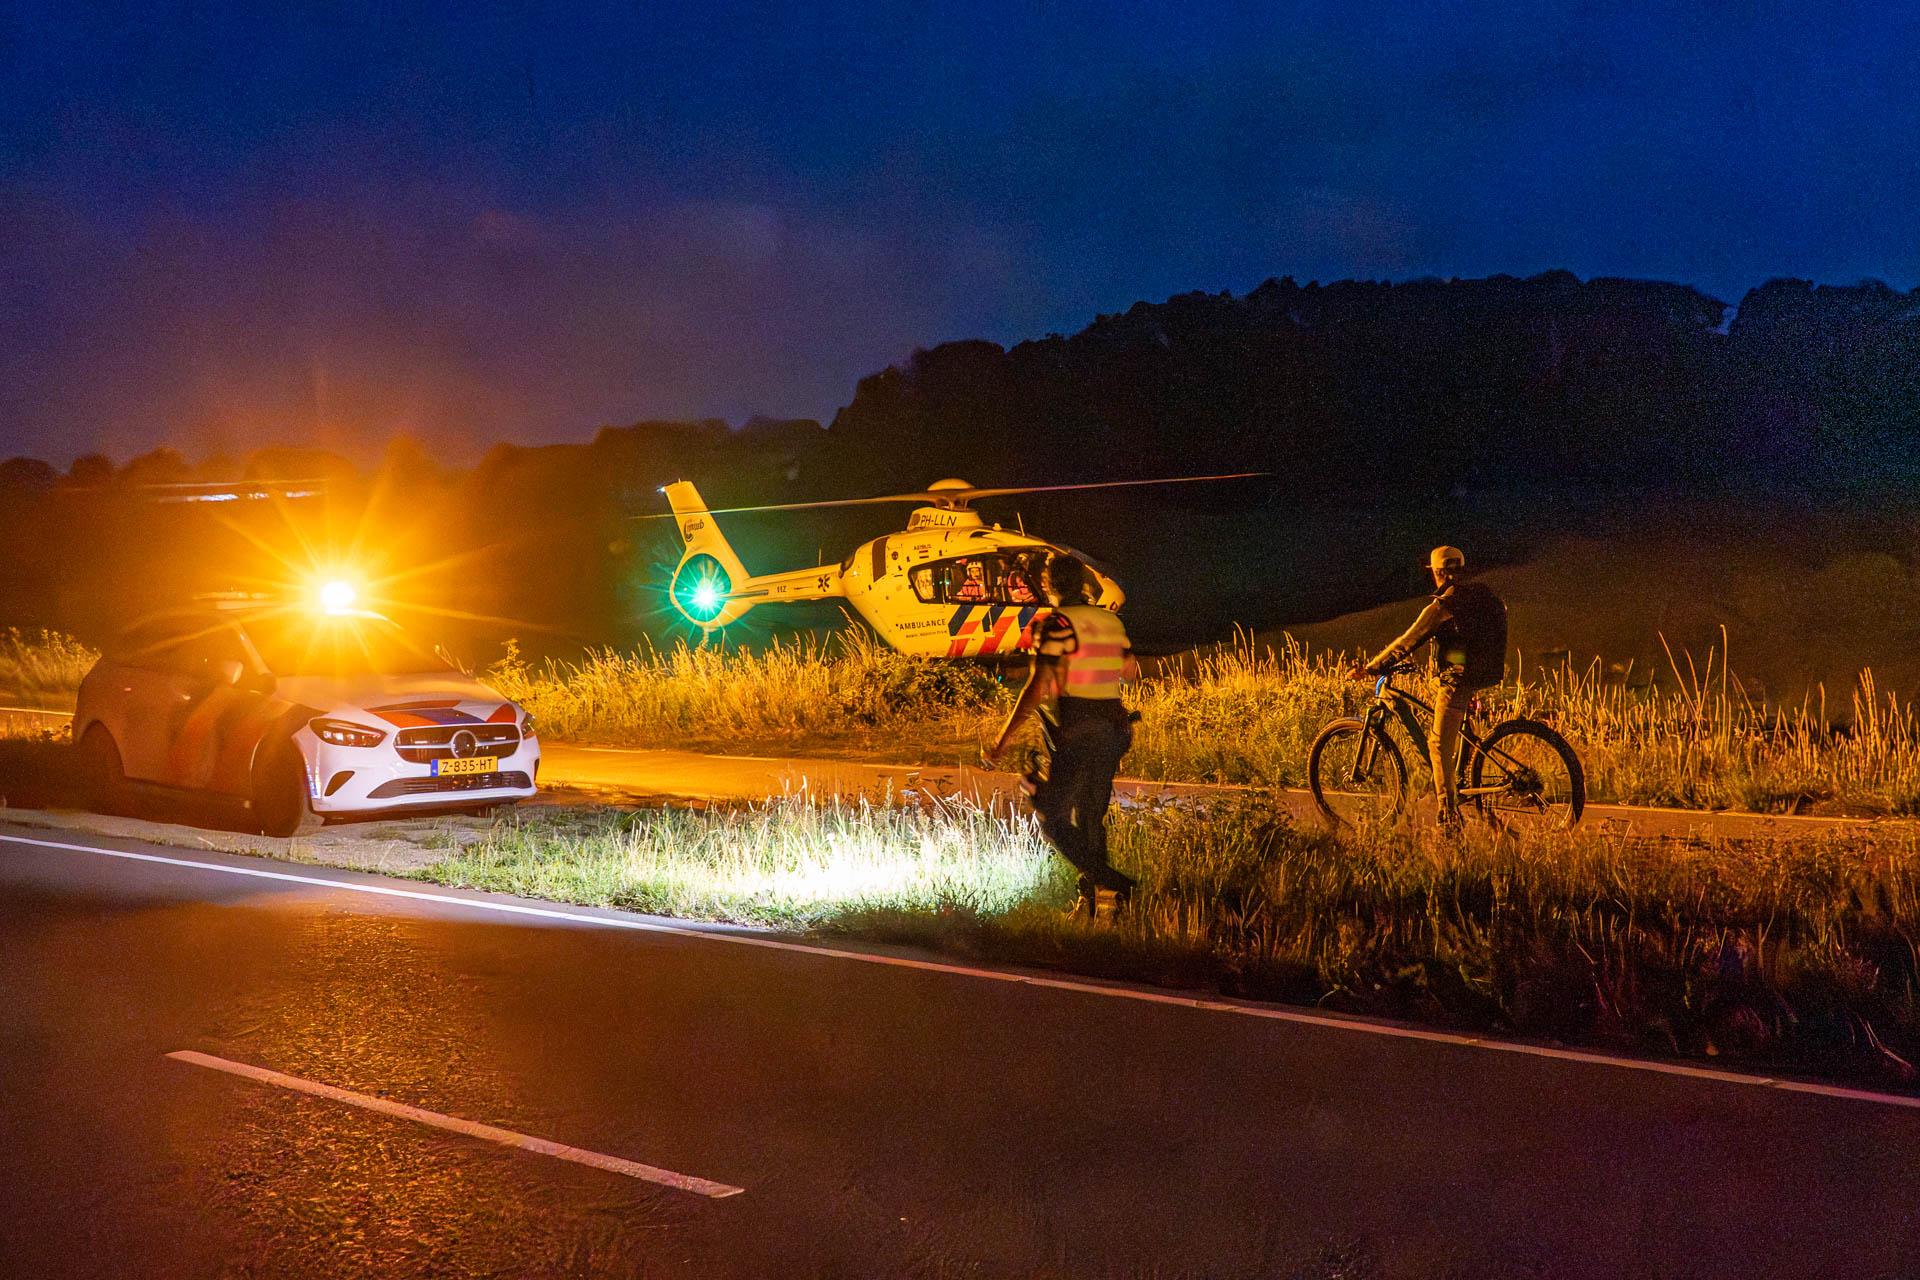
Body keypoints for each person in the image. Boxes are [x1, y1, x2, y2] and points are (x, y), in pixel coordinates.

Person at [985, 552, 1139, 918]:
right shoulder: (1109, 621)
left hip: (1078, 730)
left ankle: (1118, 885)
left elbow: (1037, 687)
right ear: (1083, 585)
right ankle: (1098, 904)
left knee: (1052, 818)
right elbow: (1130, 672)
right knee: (1089, 819)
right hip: (1114, 731)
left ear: (1049, 585)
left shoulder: (1056, 624)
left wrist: (1002, 741)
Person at [1350, 545, 1507, 828]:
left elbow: (1408, 640)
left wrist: (1373, 667)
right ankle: (1460, 773)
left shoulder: (1444, 605)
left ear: (1438, 573)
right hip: (1483, 672)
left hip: (1458, 680)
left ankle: (1448, 815)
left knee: (1437, 745)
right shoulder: (1479, 594)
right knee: (1443, 709)